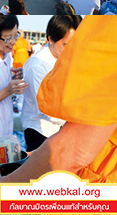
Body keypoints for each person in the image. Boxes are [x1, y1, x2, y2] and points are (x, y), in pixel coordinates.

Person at [0, 16, 117, 211]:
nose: (12, 42)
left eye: (15, 37)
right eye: (7, 38)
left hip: (96, 174)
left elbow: (71, 151)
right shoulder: (7, 62)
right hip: (0, 127)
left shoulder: (7, 57)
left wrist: (2, 190)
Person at [21, 14, 80, 151]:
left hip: (60, 128)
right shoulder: (37, 65)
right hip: (41, 131)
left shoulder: (63, 56)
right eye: (66, 44)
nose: (71, 49)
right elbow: (45, 108)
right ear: (51, 39)